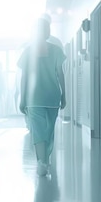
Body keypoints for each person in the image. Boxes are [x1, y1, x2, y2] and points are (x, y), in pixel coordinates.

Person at [18, 17, 66, 176]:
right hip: (52, 97)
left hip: (34, 98)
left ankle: (41, 161)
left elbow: (24, 77)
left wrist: (22, 97)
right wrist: (64, 94)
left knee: (38, 131)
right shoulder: (57, 50)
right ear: (48, 31)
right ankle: (45, 160)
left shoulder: (28, 51)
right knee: (48, 131)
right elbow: (60, 74)